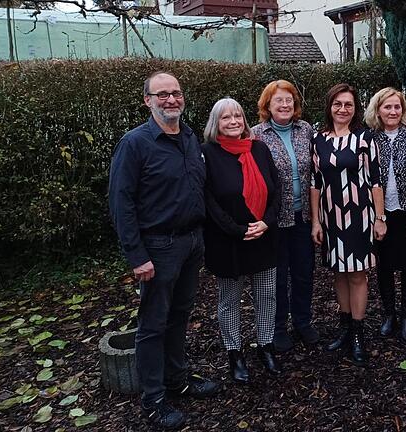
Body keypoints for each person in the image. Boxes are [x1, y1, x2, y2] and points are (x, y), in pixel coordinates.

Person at [108, 71, 219, 430]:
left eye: (176, 94)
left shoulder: (188, 137)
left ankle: (179, 380)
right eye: (162, 95)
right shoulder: (135, 143)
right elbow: (120, 203)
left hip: (191, 243)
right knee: (153, 324)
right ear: (148, 101)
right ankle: (153, 400)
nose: (171, 100)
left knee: (180, 315)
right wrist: (137, 256)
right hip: (157, 247)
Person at [202, 98, 282, 382]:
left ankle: (265, 345)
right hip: (228, 241)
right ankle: (234, 353)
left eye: (237, 116)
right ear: (216, 123)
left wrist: (267, 222)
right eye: (226, 118)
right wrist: (237, 230)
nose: (234, 121)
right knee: (229, 301)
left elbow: (277, 189)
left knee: (267, 296)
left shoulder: (259, 149)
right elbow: (209, 200)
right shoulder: (207, 154)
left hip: (263, 236)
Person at [311, 83, 386, 367]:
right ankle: (343, 328)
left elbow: (376, 180)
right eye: (338, 104)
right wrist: (316, 221)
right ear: (330, 106)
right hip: (331, 218)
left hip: (359, 216)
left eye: (349, 105)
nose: (343, 109)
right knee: (339, 274)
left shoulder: (365, 138)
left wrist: (380, 219)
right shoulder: (318, 139)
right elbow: (314, 183)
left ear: (355, 109)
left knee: (357, 275)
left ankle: (358, 333)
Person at [252, 80, 317, 353]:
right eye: (278, 100)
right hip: (274, 220)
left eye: (289, 100)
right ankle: (278, 326)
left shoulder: (306, 130)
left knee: (304, 272)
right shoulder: (256, 134)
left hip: (303, 216)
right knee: (276, 277)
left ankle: (302, 321)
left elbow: (314, 173)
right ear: (267, 105)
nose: (285, 105)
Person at [364, 87, 406, 343]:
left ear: (403, 110)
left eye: (397, 107)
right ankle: (389, 314)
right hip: (380, 216)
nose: (393, 111)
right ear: (378, 110)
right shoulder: (369, 138)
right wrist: (372, 217)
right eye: (387, 107)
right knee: (384, 267)